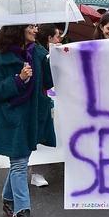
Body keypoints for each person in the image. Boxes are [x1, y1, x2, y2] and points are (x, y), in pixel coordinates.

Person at [0, 23, 56, 217]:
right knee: (20, 162)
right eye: (31, 27)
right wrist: (18, 79)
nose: (35, 30)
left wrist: (52, 58)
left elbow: (48, 82)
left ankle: (7, 199)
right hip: (12, 119)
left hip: (32, 117)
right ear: (18, 30)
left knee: (20, 161)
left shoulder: (38, 53)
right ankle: (23, 212)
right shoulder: (1, 58)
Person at [28, 24, 65, 188]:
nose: (60, 40)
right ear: (49, 38)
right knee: (40, 135)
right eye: (57, 36)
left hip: (47, 99)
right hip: (39, 100)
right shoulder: (37, 53)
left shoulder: (41, 52)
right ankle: (35, 172)